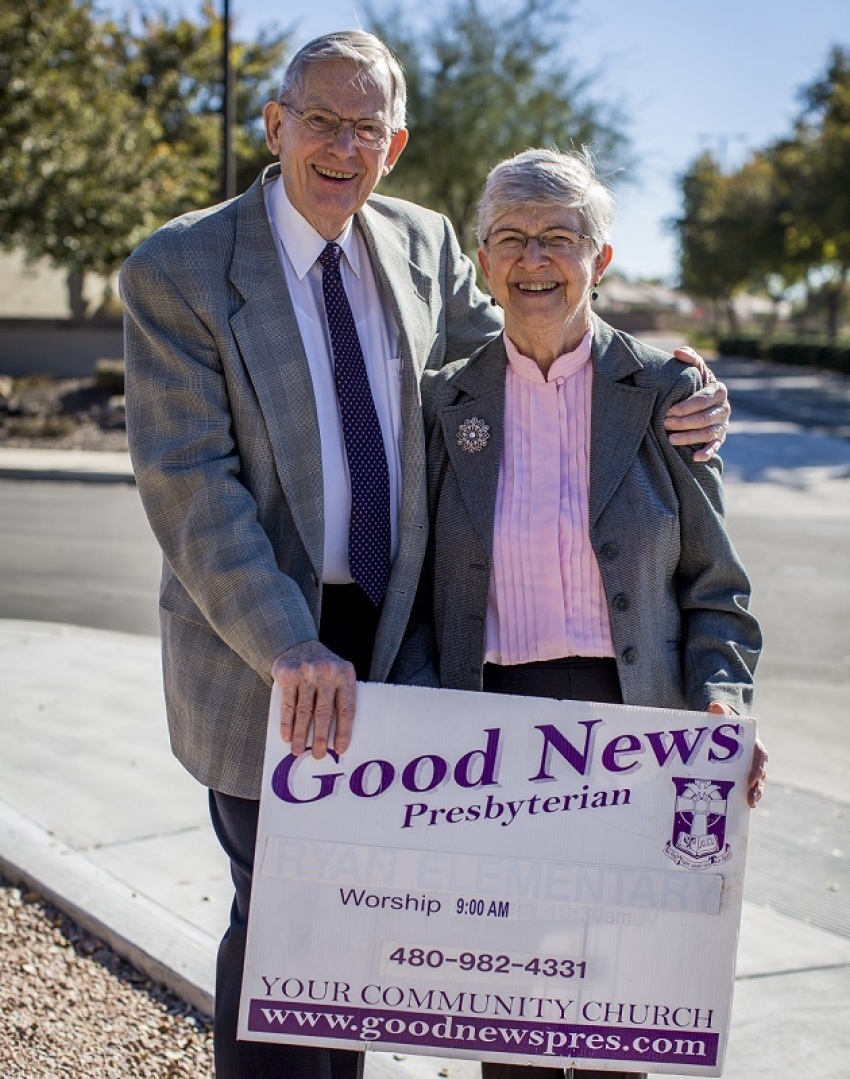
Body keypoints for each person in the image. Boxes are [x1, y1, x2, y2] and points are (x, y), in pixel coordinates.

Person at [119, 30, 732, 1079]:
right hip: (264, 632)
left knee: (356, 934)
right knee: (283, 920)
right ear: (275, 125)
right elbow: (190, 486)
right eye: (321, 118)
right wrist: (289, 646)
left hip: (407, 635)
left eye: (366, 126)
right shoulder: (181, 267)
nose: (342, 145)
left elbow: (531, 329)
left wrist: (663, 380)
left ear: (393, 144)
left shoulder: (421, 242)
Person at [404, 147, 768, 1079]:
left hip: (633, 731)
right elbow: (409, 590)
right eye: (513, 238)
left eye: (559, 238)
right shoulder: (444, 399)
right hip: (488, 741)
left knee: (616, 1023)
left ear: (599, 259)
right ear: (484, 260)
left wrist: (720, 705)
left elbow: (716, 588)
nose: (535, 259)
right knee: (510, 1027)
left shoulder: (667, 394)